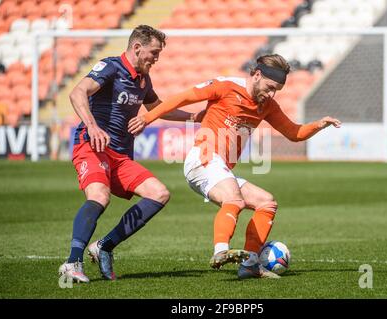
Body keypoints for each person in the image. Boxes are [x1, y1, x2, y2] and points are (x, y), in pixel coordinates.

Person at [129, 54, 341, 279]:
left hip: (220, 169)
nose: (271, 94)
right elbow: (182, 98)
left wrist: (319, 125)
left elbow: (294, 133)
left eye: (277, 90)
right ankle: (220, 250)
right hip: (203, 158)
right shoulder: (225, 86)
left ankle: (249, 265)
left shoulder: (267, 105)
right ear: (257, 75)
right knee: (234, 199)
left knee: (267, 203)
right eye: (270, 87)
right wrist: (147, 118)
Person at [58, 25, 204, 283]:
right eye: (154, 53)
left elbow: (157, 108)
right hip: (93, 146)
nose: (156, 59)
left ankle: (104, 245)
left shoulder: (143, 80)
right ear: (137, 48)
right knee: (99, 196)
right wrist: (92, 126)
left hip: (121, 156)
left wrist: (194, 117)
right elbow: (77, 91)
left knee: (159, 193)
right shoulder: (111, 67)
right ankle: (72, 262)